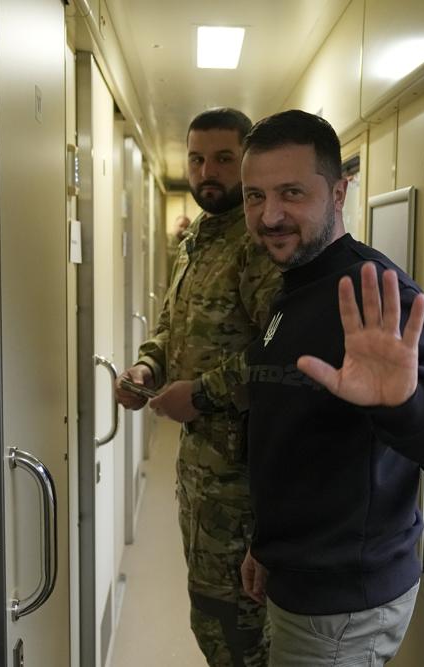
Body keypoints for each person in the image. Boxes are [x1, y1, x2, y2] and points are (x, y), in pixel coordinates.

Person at [237, 110, 424, 666]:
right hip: (302, 573)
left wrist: (405, 399)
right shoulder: (297, 284)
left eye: (291, 193)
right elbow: (293, 436)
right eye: (254, 197)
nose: (269, 215)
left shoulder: (371, 289)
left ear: (340, 191)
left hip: (341, 607)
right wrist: (267, 545)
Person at [115, 107, 281, 666]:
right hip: (199, 478)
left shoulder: (260, 247)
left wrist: (202, 393)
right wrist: (147, 369)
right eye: (197, 158)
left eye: (223, 159)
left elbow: (280, 358)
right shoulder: (194, 243)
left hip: (244, 488)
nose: (207, 170)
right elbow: (169, 329)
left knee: (237, 633)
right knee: (211, 620)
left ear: (247, 163)